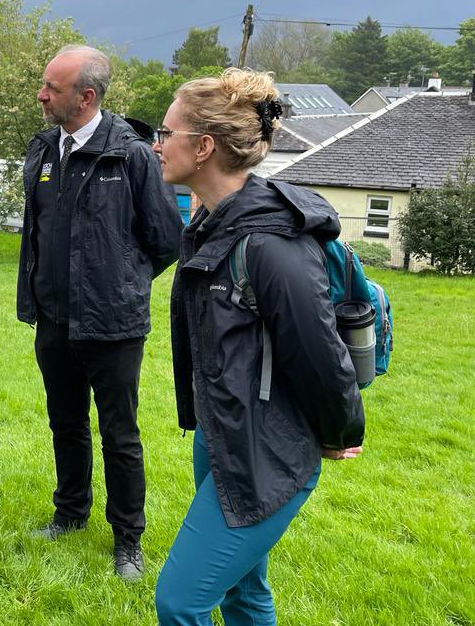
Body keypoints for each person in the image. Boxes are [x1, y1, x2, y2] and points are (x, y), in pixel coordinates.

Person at [151, 68, 365, 625]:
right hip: (225, 433)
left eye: (165, 132)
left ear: (202, 147)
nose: (156, 144)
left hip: (269, 452)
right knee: (243, 593)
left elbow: (319, 354)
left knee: (181, 600)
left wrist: (341, 432)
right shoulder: (212, 222)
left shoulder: (270, 244)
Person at [16, 45, 183, 581]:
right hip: (53, 320)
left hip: (113, 326)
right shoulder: (42, 150)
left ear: (86, 97)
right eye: (44, 85)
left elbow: (164, 240)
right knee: (65, 423)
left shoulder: (130, 156)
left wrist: (122, 285)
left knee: (120, 435)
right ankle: (70, 514)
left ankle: (128, 541)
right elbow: (40, 233)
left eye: (52, 88)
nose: (41, 96)